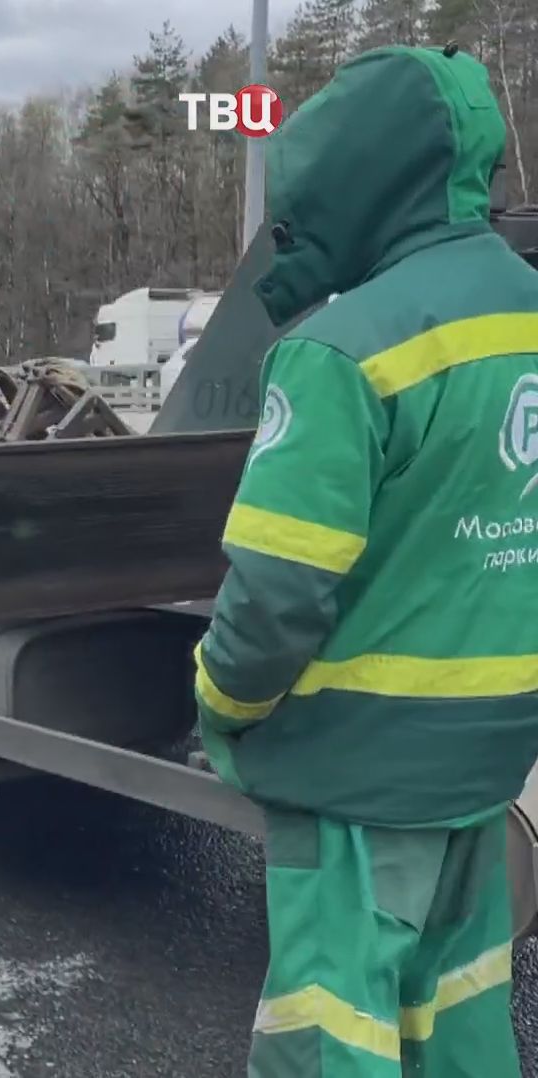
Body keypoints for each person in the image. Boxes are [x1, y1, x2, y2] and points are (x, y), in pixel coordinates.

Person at [192, 45, 538, 1077]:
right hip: (488, 758)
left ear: (357, 182)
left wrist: (221, 699)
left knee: (332, 1034)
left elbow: (278, 590)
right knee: (463, 1012)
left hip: (356, 771)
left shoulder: (343, 351)